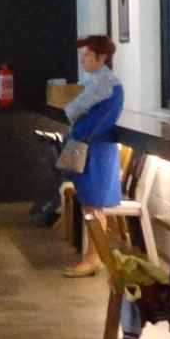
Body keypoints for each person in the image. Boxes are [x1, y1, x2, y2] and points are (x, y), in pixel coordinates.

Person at [61, 34, 124, 277]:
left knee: (94, 204)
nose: (83, 60)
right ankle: (92, 256)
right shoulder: (100, 81)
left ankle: (93, 257)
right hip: (94, 147)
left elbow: (72, 109)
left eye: (87, 55)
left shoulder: (104, 83)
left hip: (95, 149)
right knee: (91, 202)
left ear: (102, 57)